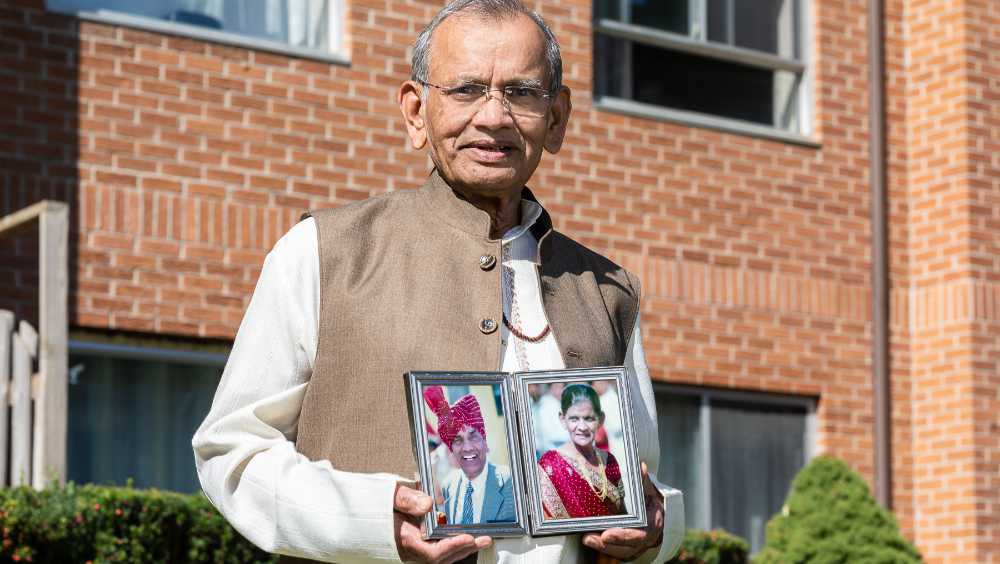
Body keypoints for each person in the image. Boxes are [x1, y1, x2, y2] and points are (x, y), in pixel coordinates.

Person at [192, 1, 684, 562]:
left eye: (522, 92)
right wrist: (370, 518)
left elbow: (644, 478)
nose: (494, 116)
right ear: (416, 112)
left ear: (557, 117)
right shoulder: (323, 253)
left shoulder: (606, 288)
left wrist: (657, 528)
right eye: (466, 89)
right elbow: (232, 452)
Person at [424, 386, 515, 525]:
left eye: (473, 437)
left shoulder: (509, 481)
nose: (467, 447)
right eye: (457, 440)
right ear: (451, 450)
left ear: (484, 441)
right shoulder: (449, 484)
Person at [538, 384, 626, 519]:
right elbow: (545, 521)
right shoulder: (550, 464)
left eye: (589, 418)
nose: (582, 427)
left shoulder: (610, 461)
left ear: (600, 419)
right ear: (563, 420)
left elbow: (622, 514)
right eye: (574, 419)